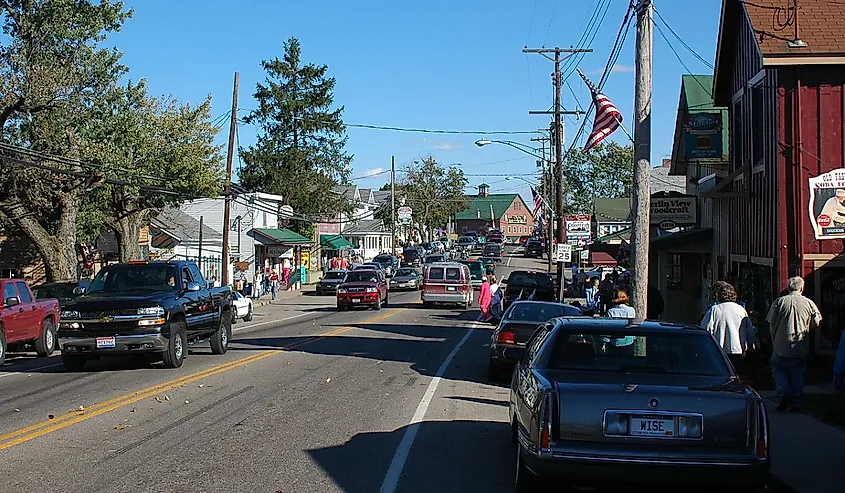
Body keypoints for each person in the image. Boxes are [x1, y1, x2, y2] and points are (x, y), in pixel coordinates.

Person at [767, 276, 822, 412]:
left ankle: (784, 392)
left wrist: (773, 338)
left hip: (780, 346)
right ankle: (796, 402)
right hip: (800, 346)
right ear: (801, 288)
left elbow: (771, 323)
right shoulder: (809, 303)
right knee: (797, 374)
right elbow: (817, 322)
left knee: (778, 370)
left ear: (788, 287)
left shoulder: (779, 302)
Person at [700, 281, 755, 375]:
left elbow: (706, 330)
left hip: (718, 351)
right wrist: (750, 346)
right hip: (738, 350)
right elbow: (750, 332)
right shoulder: (741, 310)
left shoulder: (714, 310)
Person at [603, 289, 636, 356]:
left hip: (614, 341)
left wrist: (605, 342)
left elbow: (607, 327)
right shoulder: (631, 310)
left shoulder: (611, 311)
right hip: (628, 341)